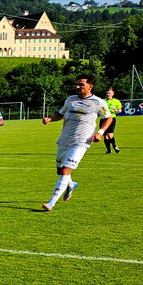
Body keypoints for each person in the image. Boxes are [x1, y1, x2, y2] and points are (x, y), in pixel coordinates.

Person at [41, 74, 113, 211]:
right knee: (60, 170)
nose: (77, 87)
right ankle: (70, 185)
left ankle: (51, 202)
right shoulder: (70, 100)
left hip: (82, 141)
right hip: (64, 139)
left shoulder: (98, 102)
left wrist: (100, 132)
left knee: (66, 170)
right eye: (77, 84)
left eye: (81, 84)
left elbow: (108, 118)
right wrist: (50, 119)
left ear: (90, 86)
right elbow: (61, 114)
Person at [103, 88, 122, 154]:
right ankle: (108, 150)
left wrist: (116, 110)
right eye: (107, 93)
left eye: (109, 93)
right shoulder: (103, 101)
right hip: (104, 119)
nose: (108, 94)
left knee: (110, 135)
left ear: (113, 94)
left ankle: (114, 146)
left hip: (111, 118)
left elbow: (119, 110)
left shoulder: (116, 101)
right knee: (105, 136)